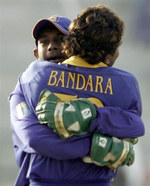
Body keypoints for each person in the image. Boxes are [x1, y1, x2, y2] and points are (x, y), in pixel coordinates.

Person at [9, 6, 144, 186]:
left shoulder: (34, 77)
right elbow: (33, 138)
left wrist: (92, 115)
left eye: (60, 39)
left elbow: (136, 125)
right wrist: (96, 146)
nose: (52, 46)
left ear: (73, 46)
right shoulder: (28, 80)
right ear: (35, 53)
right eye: (44, 42)